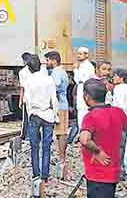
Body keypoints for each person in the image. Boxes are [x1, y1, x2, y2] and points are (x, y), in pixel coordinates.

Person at [79, 78, 127, 198]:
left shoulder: (90, 117)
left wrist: (97, 150)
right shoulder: (118, 112)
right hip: (114, 172)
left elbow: (85, 139)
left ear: (86, 96)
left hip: (96, 172)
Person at [23, 55, 58, 195]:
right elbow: (54, 99)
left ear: (29, 68)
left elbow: (28, 100)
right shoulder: (49, 79)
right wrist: (55, 115)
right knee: (46, 146)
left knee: (34, 146)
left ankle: (36, 174)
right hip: (48, 115)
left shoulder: (28, 80)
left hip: (35, 115)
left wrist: (31, 113)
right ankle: (45, 174)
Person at [44, 51, 70, 180]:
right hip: (62, 105)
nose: (46, 63)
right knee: (62, 133)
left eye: (48, 60)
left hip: (59, 106)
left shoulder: (56, 72)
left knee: (61, 133)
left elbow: (56, 84)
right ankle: (61, 159)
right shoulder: (61, 71)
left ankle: (61, 160)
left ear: (54, 60)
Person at [75, 47, 96, 127]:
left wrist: (75, 70)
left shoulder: (88, 66)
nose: (78, 56)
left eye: (80, 54)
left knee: (83, 115)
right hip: (82, 93)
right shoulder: (82, 65)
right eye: (78, 54)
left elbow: (79, 80)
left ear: (86, 55)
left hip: (85, 92)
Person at [18, 52, 34, 140]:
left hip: (27, 98)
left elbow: (22, 88)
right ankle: (33, 135)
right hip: (35, 98)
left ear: (24, 61)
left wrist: (20, 100)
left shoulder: (22, 72)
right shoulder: (37, 70)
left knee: (26, 118)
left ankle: (25, 135)